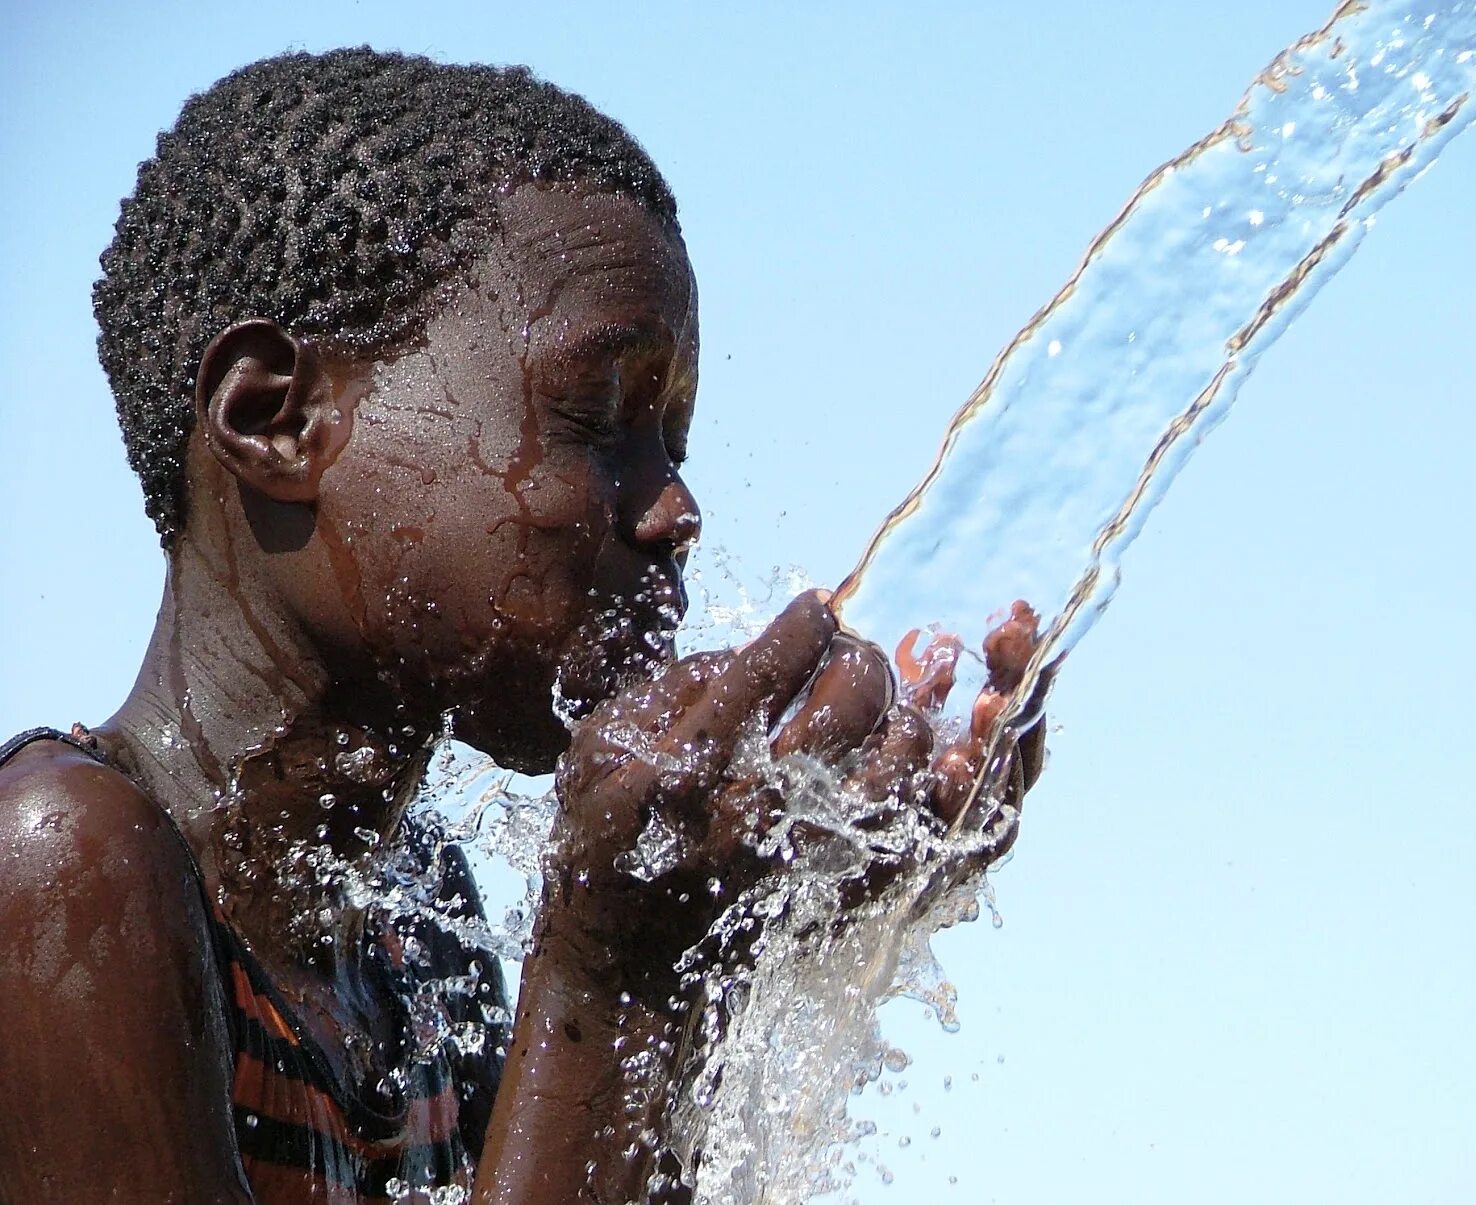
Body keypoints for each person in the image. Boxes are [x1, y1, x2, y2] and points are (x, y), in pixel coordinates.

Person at [0, 48, 1045, 1204]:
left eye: (676, 446)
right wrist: (606, 976)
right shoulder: (61, 866)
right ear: (276, 419)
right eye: (597, 418)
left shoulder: (410, 933)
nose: (674, 510)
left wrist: (728, 942)